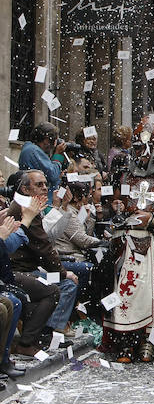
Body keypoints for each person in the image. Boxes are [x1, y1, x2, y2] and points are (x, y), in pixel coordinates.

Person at [103, 118, 154, 363]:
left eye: (142, 149)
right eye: (136, 149)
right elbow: (115, 205)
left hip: (151, 245)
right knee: (125, 294)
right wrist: (116, 206)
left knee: (150, 295)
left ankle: (148, 341)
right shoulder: (125, 176)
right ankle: (126, 341)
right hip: (124, 246)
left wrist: (151, 218)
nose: (137, 155)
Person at [8, 170, 79, 340]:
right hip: (19, 271)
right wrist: (63, 273)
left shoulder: (27, 204)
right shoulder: (25, 207)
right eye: (39, 185)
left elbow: (45, 241)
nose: (44, 188)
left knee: (70, 278)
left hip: (29, 267)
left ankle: (49, 330)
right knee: (66, 284)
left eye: (46, 184)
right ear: (25, 189)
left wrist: (61, 207)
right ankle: (48, 333)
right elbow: (43, 246)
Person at [0, 215, 27, 379]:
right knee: (7, 306)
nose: (45, 188)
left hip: (7, 276)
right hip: (23, 267)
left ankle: (3, 359)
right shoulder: (19, 208)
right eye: (40, 186)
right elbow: (10, 247)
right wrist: (27, 221)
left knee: (13, 303)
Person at [18, 122, 67, 201]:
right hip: (39, 199)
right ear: (47, 140)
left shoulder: (32, 149)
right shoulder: (33, 150)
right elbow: (53, 175)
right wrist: (58, 155)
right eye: (54, 139)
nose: (54, 145)